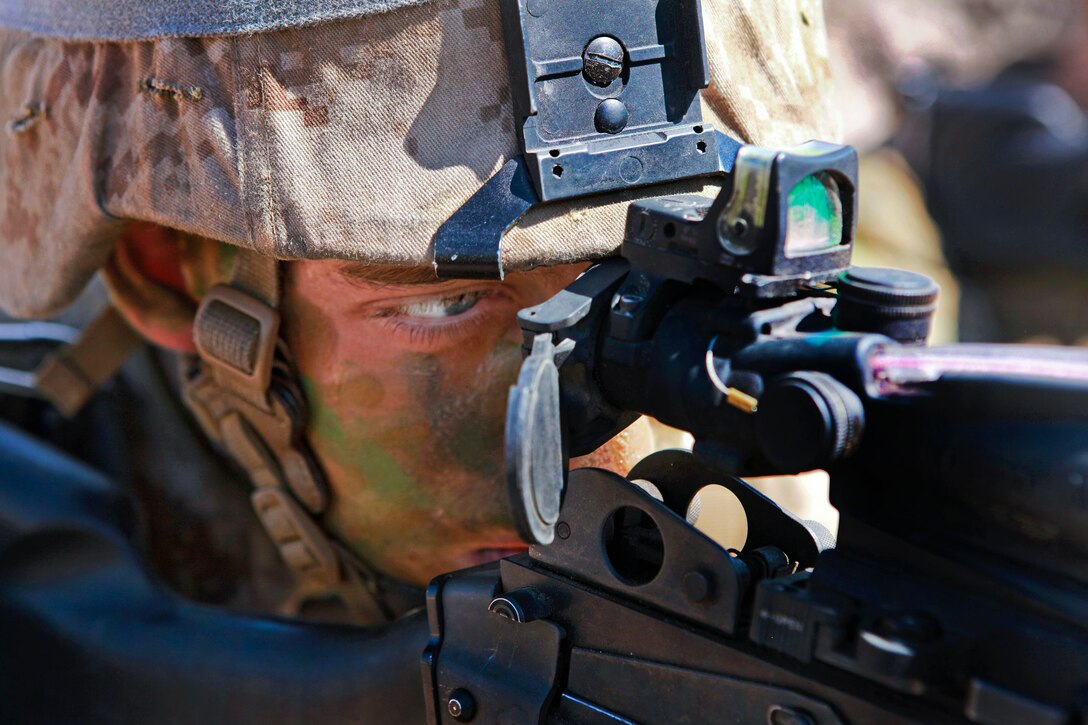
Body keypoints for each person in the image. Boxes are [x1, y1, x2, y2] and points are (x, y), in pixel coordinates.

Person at [0, 0, 841, 718]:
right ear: (169, 266)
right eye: (447, 303)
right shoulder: (45, 514)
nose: (605, 455)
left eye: (673, 296)